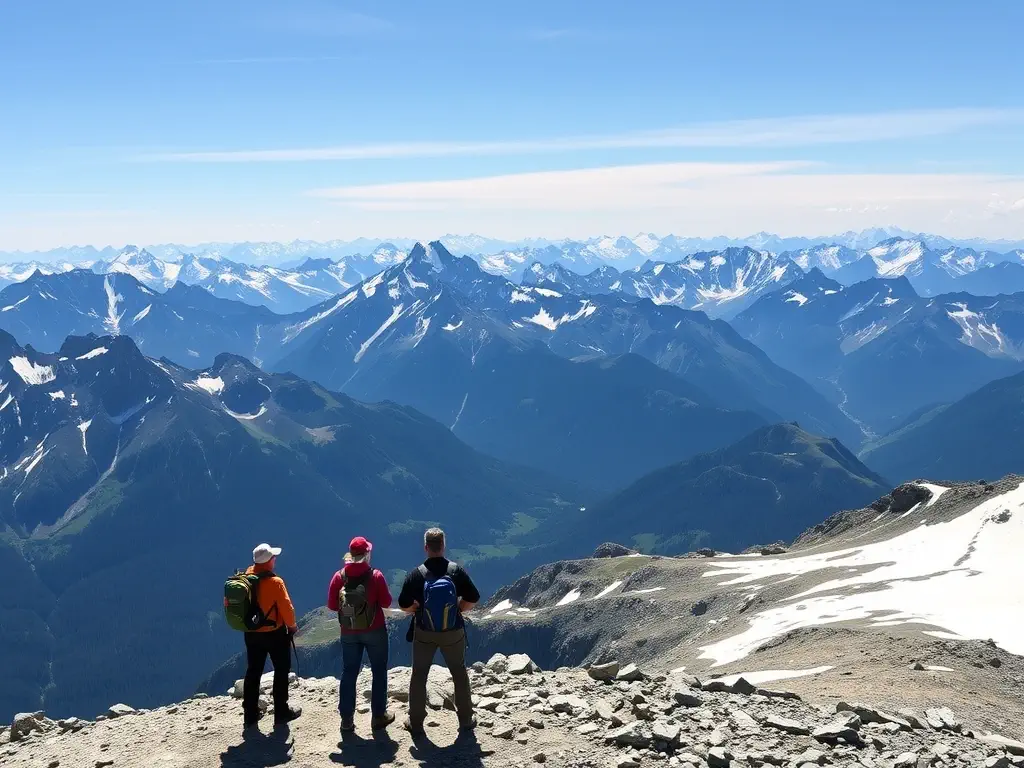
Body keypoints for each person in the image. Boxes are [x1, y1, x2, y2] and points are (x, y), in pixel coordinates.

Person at [398, 527, 480, 734]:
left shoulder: (416, 575)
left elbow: (403, 604)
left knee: (419, 674)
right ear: (443, 546)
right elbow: (473, 597)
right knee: (459, 673)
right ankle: (465, 720)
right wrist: (457, 611)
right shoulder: (455, 571)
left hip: (424, 632)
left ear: (426, 547)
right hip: (453, 632)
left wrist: (417, 609)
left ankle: (415, 722)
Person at [327, 536, 395, 733]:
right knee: (379, 671)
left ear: (350, 554)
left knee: (349, 672)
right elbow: (386, 603)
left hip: (348, 631)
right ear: (367, 554)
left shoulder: (339, 576)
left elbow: (332, 605)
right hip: (375, 630)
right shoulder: (375, 576)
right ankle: (378, 716)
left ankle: (346, 720)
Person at [242, 543, 302, 729]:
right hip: (274, 633)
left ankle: (250, 714)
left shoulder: (245, 579)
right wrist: (292, 626)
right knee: (281, 669)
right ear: (268, 561)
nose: (275, 559)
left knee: (253, 671)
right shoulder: (275, 582)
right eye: (273, 557)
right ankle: (281, 712)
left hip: (251, 633)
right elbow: (287, 608)